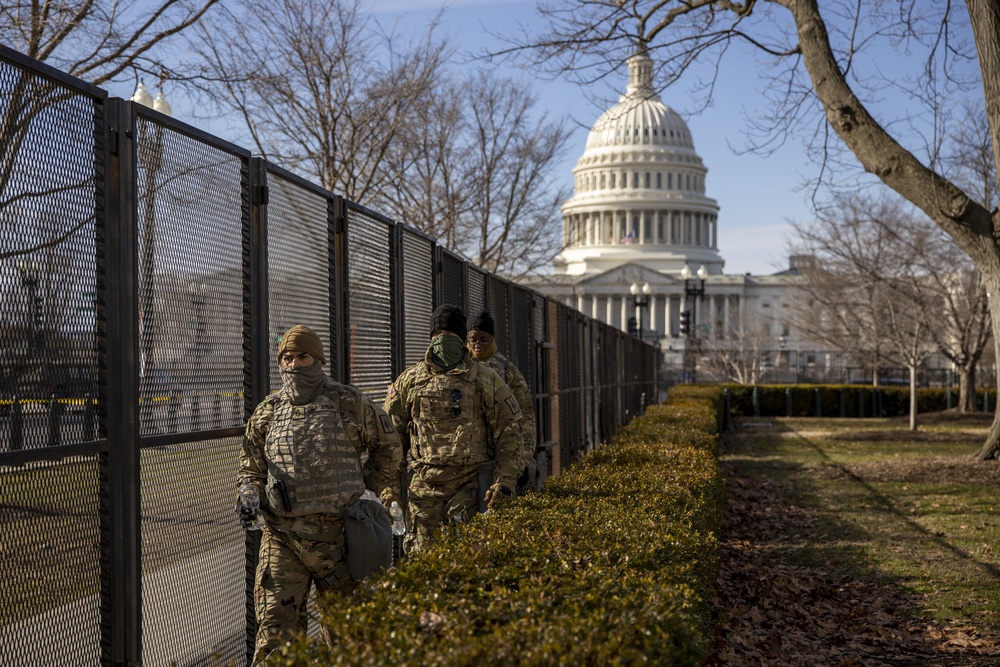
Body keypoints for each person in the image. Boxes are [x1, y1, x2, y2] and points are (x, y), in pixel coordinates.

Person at [238, 325, 401, 665]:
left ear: (318, 359)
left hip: (341, 540)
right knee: (275, 638)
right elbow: (251, 466)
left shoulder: (349, 403)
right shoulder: (268, 411)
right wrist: (249, 495)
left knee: (351, 638)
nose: (295, 364)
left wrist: (364, 490)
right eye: (287, 357)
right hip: (283, 539)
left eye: (303, 356)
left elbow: (389, 449)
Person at [383, 304, 522, 555]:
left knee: (468, 560)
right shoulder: (409, 381)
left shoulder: (486, 379)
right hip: (423, 491)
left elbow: (510, 435)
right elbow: (391, 443)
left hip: (469, 487)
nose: (444, 340)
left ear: (462, 339)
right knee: (421, 562)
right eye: (438, 335)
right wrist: (390, 490)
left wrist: (504, 481)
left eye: (451, 335)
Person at [466, 310, 537, 492]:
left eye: (484, 339)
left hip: (500, 455)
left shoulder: (506, 371)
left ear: (492, 339)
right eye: (474, 339)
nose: (478, 345)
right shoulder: (461, 368)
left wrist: (524, 459)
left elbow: (526, 416)